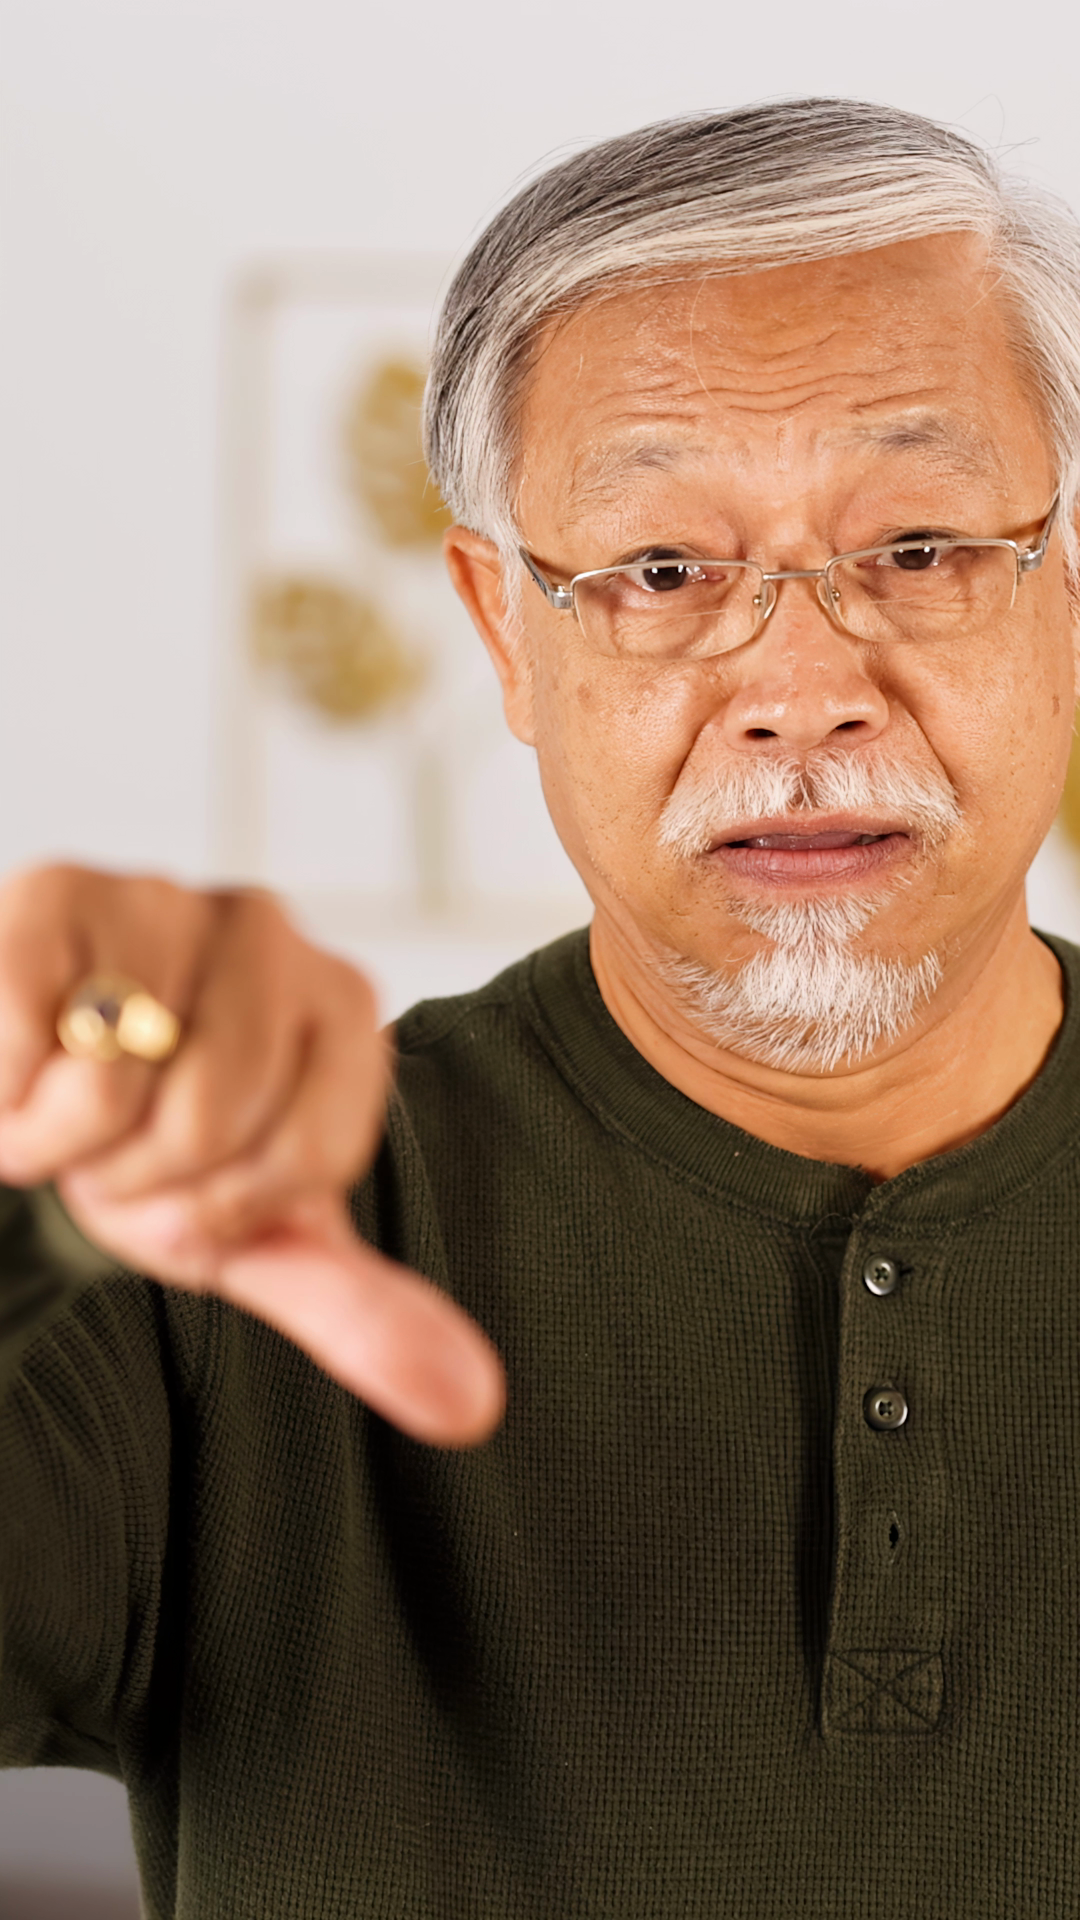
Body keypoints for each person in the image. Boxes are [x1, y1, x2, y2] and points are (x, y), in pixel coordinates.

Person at [2, 96, 1079, 1916]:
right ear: (506, 631)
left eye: (916, 547)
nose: (802, 688)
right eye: (663, 571)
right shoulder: (218, 1246)